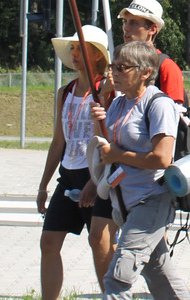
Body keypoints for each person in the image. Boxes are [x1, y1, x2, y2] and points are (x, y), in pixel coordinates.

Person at [89, 40, 190, 300]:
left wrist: (118, 155)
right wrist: (97, 125)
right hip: (126, 204)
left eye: (123, 68)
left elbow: (162, 158)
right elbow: (107, 151)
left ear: (146, 72)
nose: (114, 73)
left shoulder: (158, 104)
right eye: (113, 67)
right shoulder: (119, 103)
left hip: (152, 200)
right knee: (161, 277)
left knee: (117, 280)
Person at [37, 26, 116, 300]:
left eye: (79, 48)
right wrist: (43, 185)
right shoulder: (65, 92)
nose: (73, 54)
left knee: (100, 242)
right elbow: (59, 142)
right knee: (48, 242)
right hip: (68, 175)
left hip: (96, 175)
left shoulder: (106, 91)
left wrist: (95, 182)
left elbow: (110, 140)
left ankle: (112, 295)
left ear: (96, 55)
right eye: (71, 48)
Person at [118, 0, 185, 106]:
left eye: (133, 23)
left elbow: (174, 115)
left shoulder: (166, 67)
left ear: (152, 29)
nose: (126, 28)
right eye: (125, 21)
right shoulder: (119, 65)